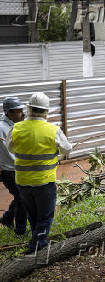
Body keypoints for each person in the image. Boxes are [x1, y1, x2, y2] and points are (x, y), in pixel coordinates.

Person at [7, 92, 72, 254]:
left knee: (33, 214)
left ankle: (36, 240)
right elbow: (67, 148)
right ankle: (36, 246)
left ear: (28, 109)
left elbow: (10, 148)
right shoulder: (52, 130)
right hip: (44, 182)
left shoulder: (16, 128)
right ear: (46, 111)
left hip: (22, 181)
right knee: (45, 216)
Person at [0, 97, 27, 235]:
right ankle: (20, 231)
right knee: (23, 199)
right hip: (9, 171)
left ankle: (7, 218)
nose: (23, 114)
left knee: (21, 197)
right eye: (19, 111)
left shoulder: (16, 124)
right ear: (9, 112)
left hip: (19, 169)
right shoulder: (1, 128)